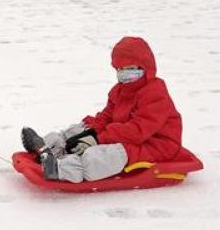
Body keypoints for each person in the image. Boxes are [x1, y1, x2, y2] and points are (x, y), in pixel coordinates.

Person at [20, 37, 183, 183]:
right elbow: (107, 116)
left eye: (129, 68)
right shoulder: (120, 90)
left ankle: (59, 169)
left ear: (145, 67)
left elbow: (139, 130)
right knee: (85, 126)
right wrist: (90, 132)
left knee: (106, 155)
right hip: (125, 134)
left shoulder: (155, 93)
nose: (123, 74)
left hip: (155, 144)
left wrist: (99, 139)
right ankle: (50, 147)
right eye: (119, 69)